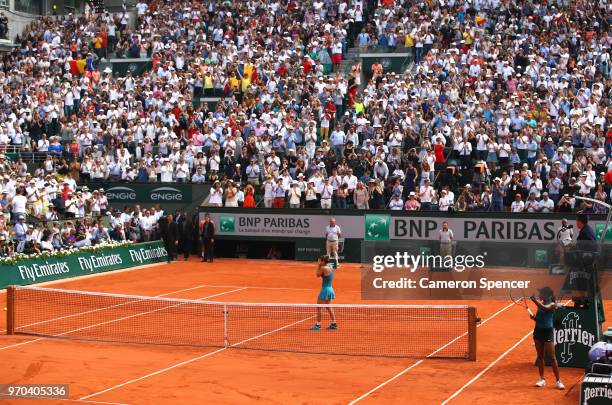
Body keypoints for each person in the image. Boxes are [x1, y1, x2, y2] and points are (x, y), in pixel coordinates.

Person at [530, 287, 564, 390]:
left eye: (541, 293)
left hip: (547, 332)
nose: (539, 295)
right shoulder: (541, 304)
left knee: (552, 357)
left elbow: (545, 308)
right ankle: (542, 379)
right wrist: (534, 318)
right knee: (540, 356)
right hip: (538, 332)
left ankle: (558, 381)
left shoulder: (552, 304)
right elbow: (540, 317)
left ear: (548, 295)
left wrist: (535, 300)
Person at [310, 255, 337, 331]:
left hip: (325, 290)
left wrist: (318, 265)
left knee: (319, 308)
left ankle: (318, 325)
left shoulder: (323, 268)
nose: (318, 262)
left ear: (322, 261)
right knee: (328, 307)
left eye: (319, 260)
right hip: (330, 289)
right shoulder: (330, 267)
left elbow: (317, 275)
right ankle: (334, 323)